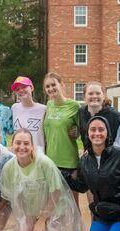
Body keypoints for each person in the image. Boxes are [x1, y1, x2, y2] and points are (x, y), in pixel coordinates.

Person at [0, 129, 86, 231]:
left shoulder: (44, 163)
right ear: (11, 145)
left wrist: (42, 219)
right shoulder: (10, 167)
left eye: (26, 143)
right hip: (29, 210)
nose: (22, 147)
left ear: (32, 146)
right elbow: (13, 194)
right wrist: (25, 219)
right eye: (18, 143)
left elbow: (57, 191)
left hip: (53, 208)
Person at [41, 72, 81, 201]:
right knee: (55, 205)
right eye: (47, 86)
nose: (51, 88)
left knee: (73, 205)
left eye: (53, 84)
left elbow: (83, 130)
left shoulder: (74, 106)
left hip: (69, 162)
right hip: (51, 161)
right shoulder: (48, 105)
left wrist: (77, 131)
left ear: (61, 84)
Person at [78, 81, 120, 152]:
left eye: (98, 93)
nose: (94, 96)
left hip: (110, 158)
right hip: (90, 158)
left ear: (103, 96)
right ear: (84, 97)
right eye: (90, 93)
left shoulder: (114, 115)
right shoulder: (81, 112)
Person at [11, 76, 46, 151]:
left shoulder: (43, 109)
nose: (20, 90)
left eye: (24, 87)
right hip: (19, 156)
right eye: (17, 89)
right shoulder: (14, 108)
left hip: (38, 156)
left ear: (32, 88)